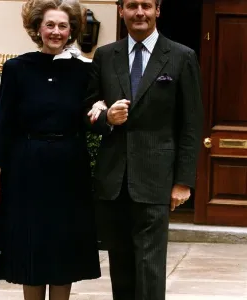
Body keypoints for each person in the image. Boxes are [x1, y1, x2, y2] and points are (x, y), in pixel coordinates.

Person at [0, 0, 103, 299]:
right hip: (27, 168)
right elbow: (4, 125)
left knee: (63, 250)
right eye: (50, 24)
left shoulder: (84, 72)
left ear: (71, 30)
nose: (56, 31)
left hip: (69, 169)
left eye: (63, 26)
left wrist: (100, 106)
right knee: (32, 248)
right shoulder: (16, 68)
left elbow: (92, 113)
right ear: (37, 28)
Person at [85, 0, 204, 299]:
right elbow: (87, 109)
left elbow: (191, 124)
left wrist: (183, 181)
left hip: (156, 180)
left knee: (150, 267)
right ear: (121, 11)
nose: (140, 12)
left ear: (158, 10)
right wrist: (106, 119)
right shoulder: (104, 55)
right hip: (114, 180)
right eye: (133, 5)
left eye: (146, 5)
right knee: (121, 267)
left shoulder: (181, 56)